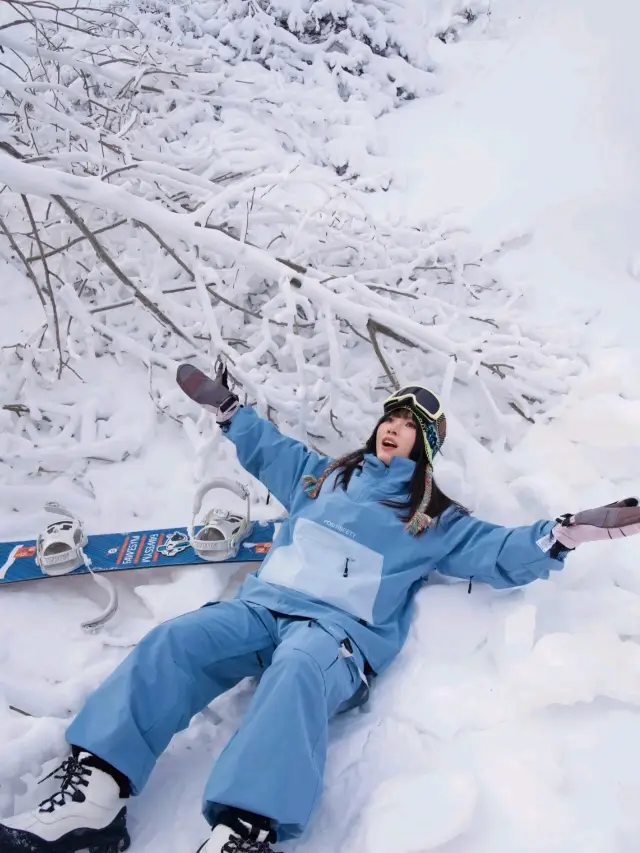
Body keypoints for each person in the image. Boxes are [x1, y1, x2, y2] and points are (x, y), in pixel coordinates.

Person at [2, 364, 639, 853]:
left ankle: (247, 828)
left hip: (335, 638)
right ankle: (95, 795)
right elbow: (269, 448)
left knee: (298, 670)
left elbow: (501, 552)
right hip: (264, 609)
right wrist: (229, 410)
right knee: (177, 642)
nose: (395, 426)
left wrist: (565, 531)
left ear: (426, 448)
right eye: (392, 416)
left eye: (411, 424)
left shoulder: (433, 518)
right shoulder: (323, 478)